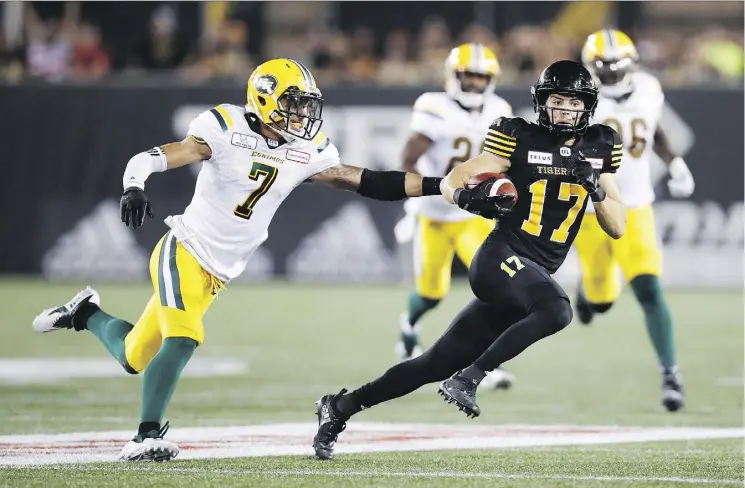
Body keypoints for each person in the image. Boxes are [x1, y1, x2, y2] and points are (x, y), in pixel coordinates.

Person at [31, 58, 443, 462]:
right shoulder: (224, 128)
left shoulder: (305, 149)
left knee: (134, 356)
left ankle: (85, 313)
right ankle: (145, 436)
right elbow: (159, 155)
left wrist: (443, 186)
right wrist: (134, 185)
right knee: (183, 338)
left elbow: (369, 180)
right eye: (294, 102)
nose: (302, 114)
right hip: (185, 249)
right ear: (264, 99)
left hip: (218, 272)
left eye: (305, 104)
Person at [312, 60, 627, 460]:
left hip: (529, 276)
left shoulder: (601, 145)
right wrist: (466, 197)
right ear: (541, 101)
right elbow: (457, 177)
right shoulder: (519, 136)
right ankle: (472, 377)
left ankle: (339, 408)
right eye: (556, 99)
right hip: (501, 258)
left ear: (588, 106)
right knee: (558, 309)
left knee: (432, 364)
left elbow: (617, 225)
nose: (564, 109)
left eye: (573, 102)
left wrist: (594, 187)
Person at [576, 29, 694, 412]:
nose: (611, 73)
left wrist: (674, 161)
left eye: (618, 66)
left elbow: (653, 127)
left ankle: (670, 373)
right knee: (602, 300)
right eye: (604, 67)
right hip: (590, 209)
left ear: (631, 64)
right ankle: (590, 295)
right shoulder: (578, 98)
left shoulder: (647, 87)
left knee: (648, 288)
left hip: (636, 206)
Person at [394, 43, 515, 390]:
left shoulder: (499, 109)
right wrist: (420, 196)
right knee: (432, 294)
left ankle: (485, 364)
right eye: (469, 75)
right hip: (434, 213)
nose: (476, 83)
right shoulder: (433, 106)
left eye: (482, 76)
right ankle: (410, 323)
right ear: (454, 76)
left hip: (472, 216)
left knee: (498, 288)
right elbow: (408, 159)